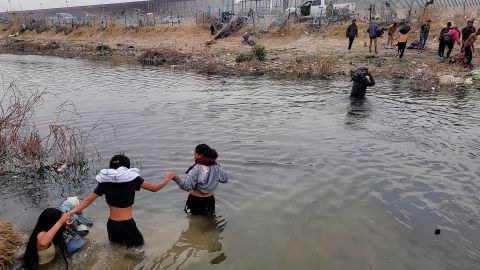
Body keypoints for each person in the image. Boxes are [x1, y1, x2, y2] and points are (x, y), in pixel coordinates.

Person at [69, 154, 176, 248]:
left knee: (115, 250)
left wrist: (71, 213)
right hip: (127, 225)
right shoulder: (133, 179)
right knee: (139, 252)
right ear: (127, 166)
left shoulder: (104, 181)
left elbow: (87, 201)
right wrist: (169, 178)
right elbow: (154, 188)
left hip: (112, 226)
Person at [173, 144, 228, 215]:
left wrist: (175, 178)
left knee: (193, 223)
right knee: (210, 223)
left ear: (201, 155)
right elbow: (224, 179)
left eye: (195, 155)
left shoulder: (196, 168)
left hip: (195, 201)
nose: (194, 157)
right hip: (210, 201)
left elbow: (187, 187)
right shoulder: (216, 166)